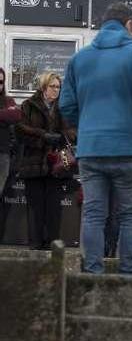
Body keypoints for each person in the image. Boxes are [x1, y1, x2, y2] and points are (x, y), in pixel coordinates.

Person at [60, 2, 132, 274]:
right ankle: (128, 275)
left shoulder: (79, 59)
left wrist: (88, 126)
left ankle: (93, 272)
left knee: (93, 214)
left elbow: (66, 105)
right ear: (129, 24)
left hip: (91, 150)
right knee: (130, 216)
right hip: (128, 147)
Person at [16, 72, 75, 250]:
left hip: (56, 164)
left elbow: (73, 131)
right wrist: (43, 136)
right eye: (53, 86)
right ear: (44, 87)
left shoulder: (63, 108)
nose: (56, 90)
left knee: (53, 209)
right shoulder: (28, 105)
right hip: (33, 163)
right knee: (35, 208)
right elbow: (20, 132)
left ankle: (52, 246)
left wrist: (61, 136)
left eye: (58, 87)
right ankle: (35, 245)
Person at [0, 67, 21, 237]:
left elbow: (15, 115)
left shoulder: (8, 100)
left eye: (0, 82)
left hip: (3, 155)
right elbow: (8, 115)